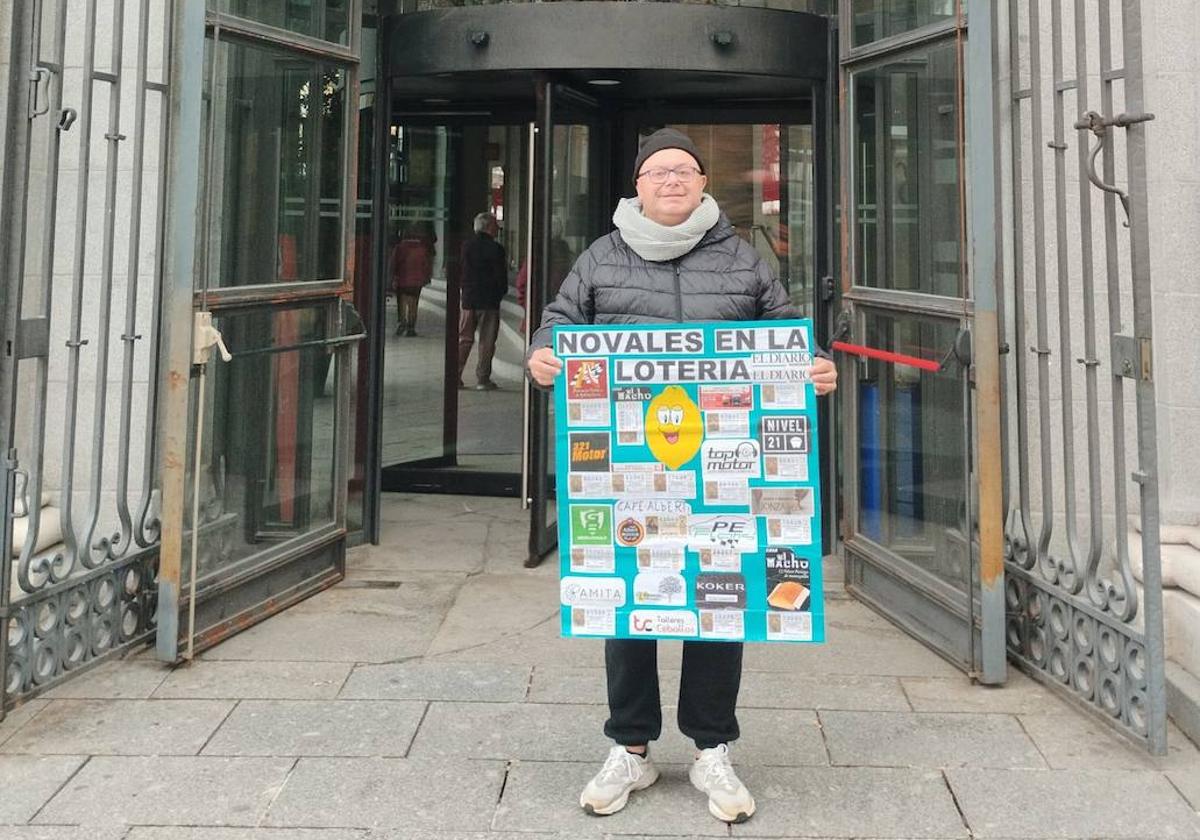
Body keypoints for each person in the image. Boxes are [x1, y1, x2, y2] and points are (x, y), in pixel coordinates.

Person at [526, 128, 838, 824]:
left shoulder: (742, 258)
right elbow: (556, 325)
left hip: (723, 474)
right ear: (637, 185)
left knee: (721, 607)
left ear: (703, 185)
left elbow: (783, 330)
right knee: (625, 605)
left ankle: (711, 748)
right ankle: (630, 747)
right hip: (628, 479)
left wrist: (813, 364)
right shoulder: (600, 258)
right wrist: (545, 354)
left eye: (685, 170)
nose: (671, 180)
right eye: (658, 171)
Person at [459, 212, 508, 390]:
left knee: (464, 338)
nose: (497, 228)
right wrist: (500, 293)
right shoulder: (496, 249)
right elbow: (500, 276)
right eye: (495, 225)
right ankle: (483, 379)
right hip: (489, 301)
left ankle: (455, 375)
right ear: (488, 227)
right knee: (487, 341)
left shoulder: (466, 246)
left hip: (469, 299)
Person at [390, 224, 436, 337]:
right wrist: (426, 277)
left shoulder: (400, 248)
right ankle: (411, 327)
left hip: (402, 280)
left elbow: (393, 264)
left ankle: (402, 322)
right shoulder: (422, 249)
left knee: (402, 303)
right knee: (414, 303)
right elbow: (426, 265)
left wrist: (393, 277)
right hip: (417, 281)